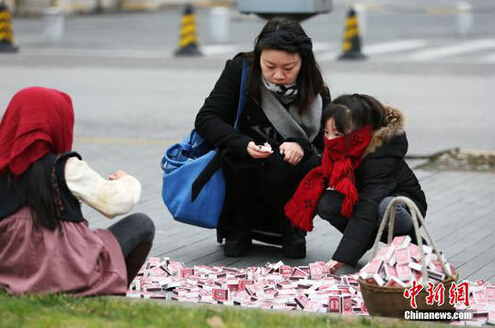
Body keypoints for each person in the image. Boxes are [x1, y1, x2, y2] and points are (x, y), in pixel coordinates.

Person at [195, 18, 330, 258]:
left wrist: (301, 145)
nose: (278, 75)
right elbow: (207, 118)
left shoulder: (316, 90)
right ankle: (239, 229)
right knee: (235, 157)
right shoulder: (241, 71)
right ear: (258, 58)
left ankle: (293, 230)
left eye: (288, 68)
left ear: (303, 62)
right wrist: (242, 143)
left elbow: (325, 144)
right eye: (269, 66)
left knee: (311, 164)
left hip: (290, 177)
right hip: (245, 172)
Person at [0, 87, 155, 295]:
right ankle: (110, 290)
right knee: (142, 224)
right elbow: (115, 202)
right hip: (69, 276)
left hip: (9, 275)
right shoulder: (64, 168)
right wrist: (127, 180)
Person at [285, 94, 427, 273]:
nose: (330, 140)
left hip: (404, 205)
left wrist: (341, 257)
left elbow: (367, 206)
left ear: (359, 130)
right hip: (365, 201)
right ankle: (363, 241)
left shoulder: (381, 154)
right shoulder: (341, 148)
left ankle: (417, 246)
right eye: (326, 133)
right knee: (325, 202)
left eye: (337, 134)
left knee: (385, 207)